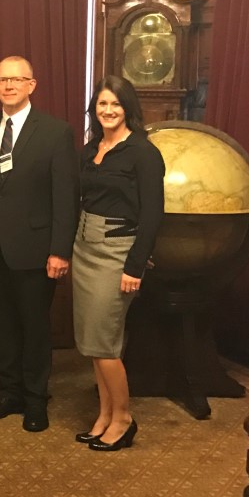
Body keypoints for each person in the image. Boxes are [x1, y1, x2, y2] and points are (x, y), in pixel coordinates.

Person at [0, 56, 77, 433]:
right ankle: (8, 392)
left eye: (16, 80)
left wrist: (60, 249)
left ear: (32, 84)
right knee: (3, 325)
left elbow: (65, 197)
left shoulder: (56, 132)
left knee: (34, 326)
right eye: (1, 81)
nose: (8, 86)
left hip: (36, 249)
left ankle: (36, 398)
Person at [72, 75, 165, 452]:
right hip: (84, 248)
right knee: (94, 343)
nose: (108, 111)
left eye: (116, 104)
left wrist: (135, 266)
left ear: (128, 109)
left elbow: (154, 214)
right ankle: (105, 414)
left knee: (106, 344)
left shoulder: (143, 152)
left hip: (117, 253)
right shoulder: (90, 148)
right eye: (102, 105)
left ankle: (123, 419)